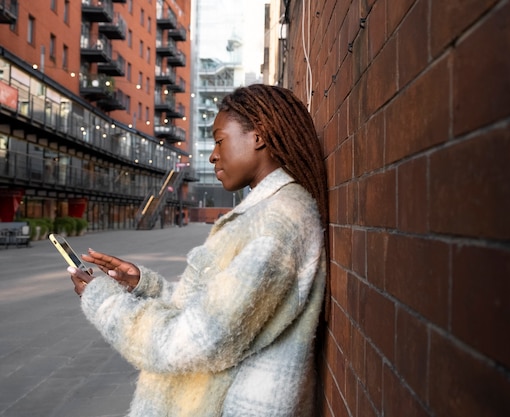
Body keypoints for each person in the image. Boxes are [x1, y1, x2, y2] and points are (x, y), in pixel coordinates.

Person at [67, 84, 329, 417]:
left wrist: (104, 301)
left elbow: (197, 339)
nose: (212, 155)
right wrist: (141, 286)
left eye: (220, 140)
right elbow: (217, 309)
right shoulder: (269, 213)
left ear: (259, 136)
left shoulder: (278, 222)